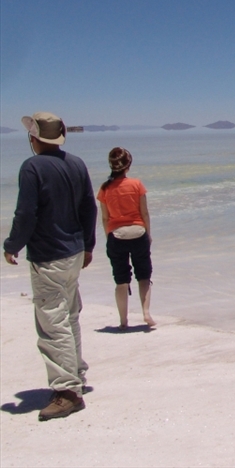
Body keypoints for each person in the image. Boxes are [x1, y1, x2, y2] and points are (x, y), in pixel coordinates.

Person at [3, 112, 97, 421]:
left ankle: (67, 391)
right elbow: (89, 207)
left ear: (34, 138)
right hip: (73, 252)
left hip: (49, 255)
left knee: (52, 324)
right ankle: (76, 376)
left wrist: (12, 244)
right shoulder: (76, 163)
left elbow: (26, 213)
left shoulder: (32, 167)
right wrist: (88, 245)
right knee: (69, 318)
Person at [96, 147, 154, 330]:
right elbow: (144, 212)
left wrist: (109, 237)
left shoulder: (105, 189)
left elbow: (105, 218)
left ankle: (123, 321)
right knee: (143, 276)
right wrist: (148, 234)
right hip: (138, 233)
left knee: (121, 281)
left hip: (117, 236)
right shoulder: (137, 185)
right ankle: (146, 312)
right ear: (128, 166)